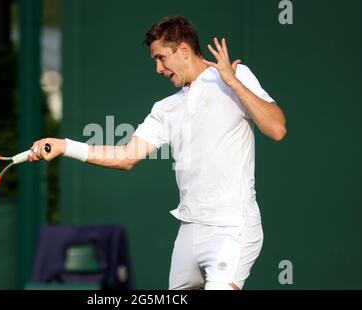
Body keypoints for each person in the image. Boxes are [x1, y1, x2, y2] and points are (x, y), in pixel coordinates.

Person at [29, 16, 286, 290]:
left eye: (161, 58)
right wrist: (65, 146)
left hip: (232, 228)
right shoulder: (165, 109)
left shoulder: (236, 78)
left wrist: (233, 83)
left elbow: (277, 128)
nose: (158, 68)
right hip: (189, 229)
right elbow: (127, 156)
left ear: (184, 50)